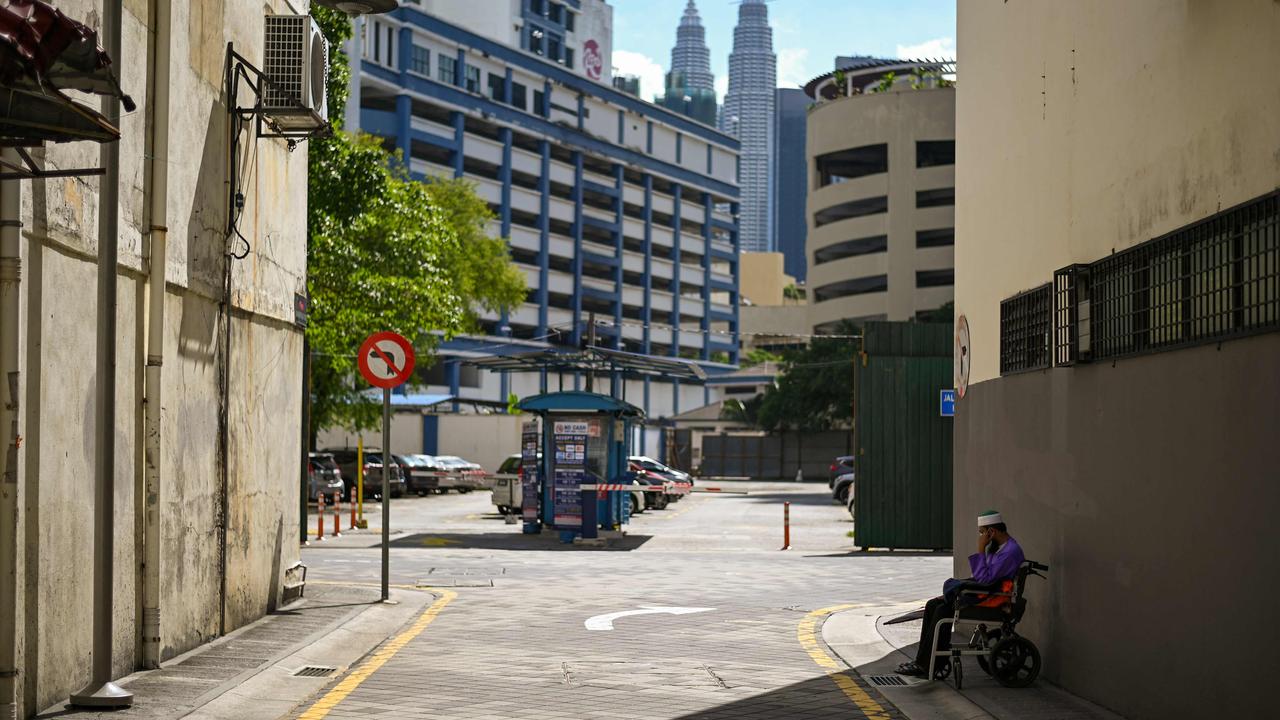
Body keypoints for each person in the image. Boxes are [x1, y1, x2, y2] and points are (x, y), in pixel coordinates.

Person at [895, 510, 1025, 678]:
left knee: (942, 611)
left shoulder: (1009, 552)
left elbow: (984, 581)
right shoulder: (1003, 548)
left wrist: (980, 550)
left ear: (991, 532)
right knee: (932, 604)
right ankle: (924, 661)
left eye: (982, 533)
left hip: (993, 600)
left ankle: (926, 665)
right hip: (988, 594)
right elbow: (984, 579)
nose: (981, 537)